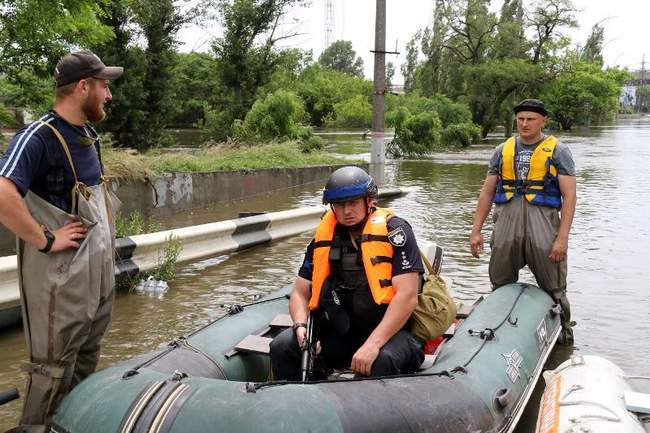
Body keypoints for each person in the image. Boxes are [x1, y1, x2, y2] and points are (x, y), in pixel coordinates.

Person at [0, 50, 123, 429]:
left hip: (95, 272)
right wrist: (46, 239)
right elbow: (3, 192)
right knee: (52, 370)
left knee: (87, 355)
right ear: (83, 86)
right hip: (60, 278)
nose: (109, 95)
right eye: (104, 85)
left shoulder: (88, 135)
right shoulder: (38, 136)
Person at [270, 166, 426, 380]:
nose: (347, 211)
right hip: (341, 334)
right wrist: (300, 326)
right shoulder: (323, 240)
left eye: (353, 203)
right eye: (340, 205)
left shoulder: (396, 232)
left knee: (382, 360)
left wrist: (373, 345)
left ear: (369, 201)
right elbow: (299, 292)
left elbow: (407, 297)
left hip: (390, 335)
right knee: (282, 346)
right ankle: (302, 402)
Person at [470, 99, 577, 344]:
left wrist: (562, 238)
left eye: (531, 119)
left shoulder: (559, 151)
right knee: (500, 285)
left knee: (554, 288)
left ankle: (564, 340)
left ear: (543, 121)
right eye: (521, 119)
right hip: (507, 222)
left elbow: (570, 197)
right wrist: (476, 231)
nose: (525, 123)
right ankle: (500, 339)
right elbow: (487, 193)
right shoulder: (502, 150)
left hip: (544, 226)